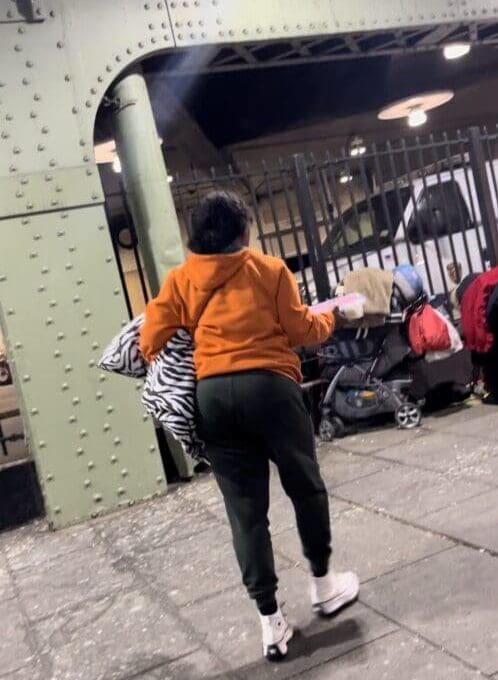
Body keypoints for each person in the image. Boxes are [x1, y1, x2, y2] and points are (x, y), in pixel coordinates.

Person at [139, 191, 359, 661]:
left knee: (245, 511)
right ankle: (324, 585)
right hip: (271, 389)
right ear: (243, 231)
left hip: (213, 397)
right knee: (305, 485)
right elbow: (302, 331)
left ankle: (271, 623)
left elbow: (149, 340)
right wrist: (329, 316)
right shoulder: (269, 270)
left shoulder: (179, 281)